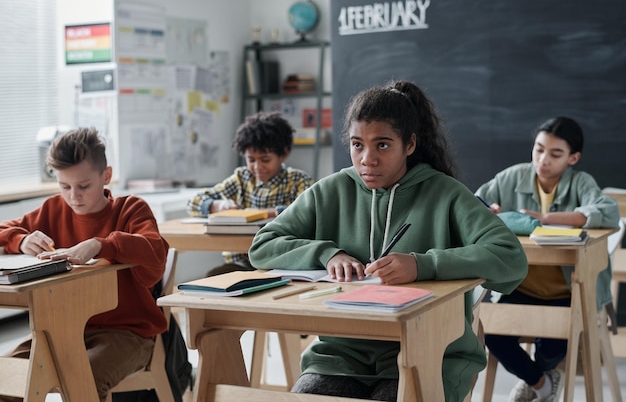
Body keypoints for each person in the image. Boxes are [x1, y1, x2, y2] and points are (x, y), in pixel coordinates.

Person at [249, 80, 528, 402]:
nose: (367, 158)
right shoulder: (331, 190)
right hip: (341, 356)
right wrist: (327, 253)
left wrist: (423, 264)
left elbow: (510, 257)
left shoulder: (444, 193)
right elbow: (263, 245)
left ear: (409, 145)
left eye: (382, 145)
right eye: (357, 145)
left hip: (430, 351)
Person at [0, 127, 170, 402]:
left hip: (128, 333)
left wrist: (102, 244)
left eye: (84, 186)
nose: (74, 197)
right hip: (58, 332)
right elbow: (4, 229)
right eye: (64, 186)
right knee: (6, 378)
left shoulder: (131, 209)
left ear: (106, 176)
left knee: (82, 378)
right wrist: (20, 240)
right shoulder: (51, 210)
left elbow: (156, 252)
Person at [475, 116, 620, 402]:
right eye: (539, 149)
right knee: (493, 334)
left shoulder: (581, 182)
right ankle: (541, 383)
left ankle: (536, 380)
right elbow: (474, 202)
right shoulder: (512, 176)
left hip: (567, 293)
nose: (544, 159)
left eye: (555, 154)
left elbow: (608, 211)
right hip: (521, 287)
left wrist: (544, 218)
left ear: (573, 158)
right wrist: (486, 211)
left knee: (553, 345)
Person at [187, 111, 314, 276]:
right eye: (251, 160)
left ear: (284, 153)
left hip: (281, 262)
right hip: (241, 263)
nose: (257, 167)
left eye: (265, 160)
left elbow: (309, 213)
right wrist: (216, 205)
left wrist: (266, 213)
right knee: (214, 277)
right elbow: (193, 202)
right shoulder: (242, 178)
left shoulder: (297, 180)